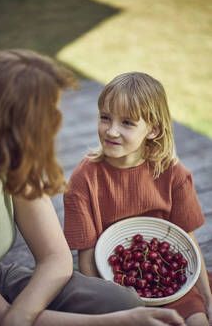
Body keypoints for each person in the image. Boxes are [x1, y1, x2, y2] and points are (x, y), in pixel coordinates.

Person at [0, 50, 185, 326]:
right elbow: (0, 319)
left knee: (122, 301)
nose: (53, 125)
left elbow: (55, 258)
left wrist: (22, 313)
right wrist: (120, 322)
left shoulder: (14, 160)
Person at [63, 71, 212, 326]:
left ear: (153, 130)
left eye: (127, 123)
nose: (111, 131)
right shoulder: (83, 180)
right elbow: (86, 257)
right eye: (105, 118)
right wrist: (107, 306)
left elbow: (187, 240)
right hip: (113, 285)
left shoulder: (174, 174)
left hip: (170, 282)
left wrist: (207, 298)